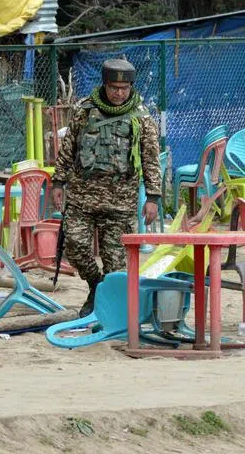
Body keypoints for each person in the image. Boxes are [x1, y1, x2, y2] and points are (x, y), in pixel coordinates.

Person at [52, 58, 162, 317]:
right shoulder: (84, 111)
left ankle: (107, 308)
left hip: (120, 202)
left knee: (116, 265)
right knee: (75, 246)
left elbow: (151, 158)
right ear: (104, 84)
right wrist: (58, 181)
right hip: (82, 197)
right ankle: (95, 284)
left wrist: (153, 197)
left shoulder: (141, 117)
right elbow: (68, 149)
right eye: (114, 87)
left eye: (124, 89)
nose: (119, 93)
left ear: (131, 87)